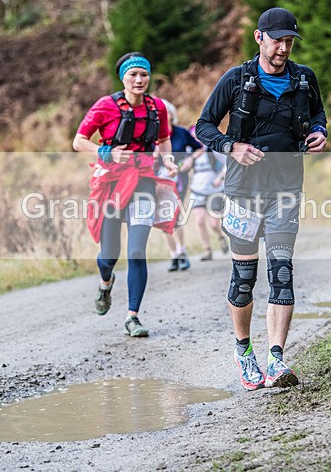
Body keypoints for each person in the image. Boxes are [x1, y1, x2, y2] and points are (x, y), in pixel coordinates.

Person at [196, 7, 327, 389]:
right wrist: (230, 146)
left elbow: (318, 113)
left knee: (282, 274)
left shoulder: (304, 78)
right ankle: (244, 351)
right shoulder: (236, 79)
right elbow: (203, 125)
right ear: (259, 38)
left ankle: (276, 359)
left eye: (289, 41)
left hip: (286, 188)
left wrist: (319, 132)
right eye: (277, 41)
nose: (283, 48)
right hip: (242, 191)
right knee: (243, 280)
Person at [73, 52, 179, 338]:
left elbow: (164, 138)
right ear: (123, 77)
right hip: (112, 183)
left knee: (135, 252)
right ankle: (106, 282)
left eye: (144, 74)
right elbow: (78, 141)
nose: (139, 79)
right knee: (109, 254)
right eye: (133, 74)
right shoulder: (105, 106)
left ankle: (133, 316)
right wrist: (105, 151)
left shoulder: (158, 107)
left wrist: (167, 160)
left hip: (144, 181)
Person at [158, 100, 205, 272]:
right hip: (158, 180)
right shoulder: (152, 134)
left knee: (174, 215)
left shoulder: (181, 133)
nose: (162, 116)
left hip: (178, 178)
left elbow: (199, 149)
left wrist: (190, 159)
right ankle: (174, 255)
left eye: (165, 112)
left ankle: (182, 252)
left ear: (171, 115)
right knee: (162, 218)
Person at [187, 136, 229, 261]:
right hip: (197, 191)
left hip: (214, 191)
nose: (196, 141)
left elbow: (227, 163)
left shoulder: (212, 150)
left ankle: (221, 237)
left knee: (214, 223)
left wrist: (220, 178)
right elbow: (183, 167)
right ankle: (207, 250)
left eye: (198, 138)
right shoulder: (190, 152)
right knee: (199, 221)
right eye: (193, 138)